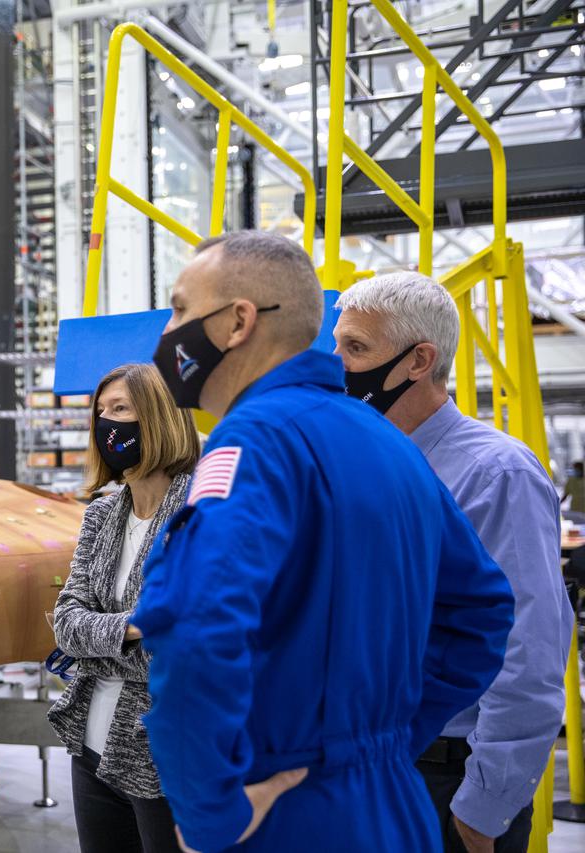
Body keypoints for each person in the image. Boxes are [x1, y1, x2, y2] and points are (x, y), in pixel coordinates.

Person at [131, 231, 516, 853]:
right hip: (393, 801)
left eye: (180, 309)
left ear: (237, 322)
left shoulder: (254, 442)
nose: (168, 334)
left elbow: (196, 624)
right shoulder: (389, 442)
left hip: (285, 809)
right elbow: (481, 612)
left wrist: (209, 815)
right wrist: (387, 735)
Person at [335, 272, 572, 853]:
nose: (334, 364)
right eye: (336, 345)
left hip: (442, 779)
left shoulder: (495, 475)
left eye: (355, 348)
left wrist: (483, 807)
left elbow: (527, 651)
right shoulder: (360, 465)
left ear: (419, 361)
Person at [49, 362, 200, 853]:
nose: (107, 424)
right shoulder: (101, 513)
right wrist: (135, 627)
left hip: (168, 750)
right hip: (90, 746)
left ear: (157, 417)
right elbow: (66, 624)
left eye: (121, 409)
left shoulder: (201, 510)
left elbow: (190, 643)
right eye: (100, 412)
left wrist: (100, 643)